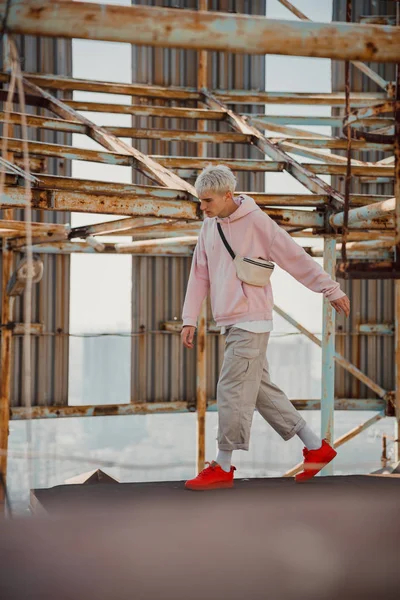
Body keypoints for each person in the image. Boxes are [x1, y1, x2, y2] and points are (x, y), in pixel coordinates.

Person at [181, 165, 350, 490]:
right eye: (200, 201)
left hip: (252, 320)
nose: (202, 207)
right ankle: (317, 447)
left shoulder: (257, 222)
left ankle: (224, 466)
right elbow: (199, 272)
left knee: (231, 387)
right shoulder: (208, 226)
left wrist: (330, 288)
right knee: (260, 390)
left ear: (228, 195)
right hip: (230, 322)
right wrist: (190, 318)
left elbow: (293, 256)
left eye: (208, 201)